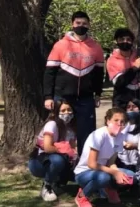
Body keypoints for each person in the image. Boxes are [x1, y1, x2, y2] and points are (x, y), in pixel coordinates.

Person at [44, 11, 105, 154]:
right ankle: (63, 162)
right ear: (72, 24)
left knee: (87, 133)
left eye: (84, 23)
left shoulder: (96, 47)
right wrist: (48, 96)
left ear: (89, 25)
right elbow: (50, 72)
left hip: (86, 98)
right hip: (63, 98)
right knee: (61, 132)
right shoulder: (60, 45)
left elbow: (99, 74)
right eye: (78, 23)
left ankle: (85, 164)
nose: (81, 26)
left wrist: (98, 94)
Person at [73, 108, 135, 207]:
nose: (119, 124)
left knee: (130, 175)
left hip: (102, 170)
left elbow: (111, 162)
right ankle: (82, 196)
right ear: (108, 121)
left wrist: (118, 173)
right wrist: (115, 173)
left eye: (122, 121)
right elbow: (91, 164)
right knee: (104, 177)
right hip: (84, 172)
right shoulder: (99, 135)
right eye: (116, 120)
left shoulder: (120, 136)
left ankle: (109, 188)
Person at [28, 99, 77, 202]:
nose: (66, 113)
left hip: (61, 159)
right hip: (39, 162)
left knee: (77, 174)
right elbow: (47, 147)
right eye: (63, 110)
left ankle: (58, 182)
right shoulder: (52, 125)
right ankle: (47, 185)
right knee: (58, 160)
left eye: (69, 110)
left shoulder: (72, 128)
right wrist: (64, 149)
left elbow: (73, 150)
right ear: (56, 112)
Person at [106, 28, 140, 123]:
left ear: (132, 42)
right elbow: (119, 83)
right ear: (116, 41)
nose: (125, 42)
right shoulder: (112, 60)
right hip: (121, 101)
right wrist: (134, 68)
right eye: (121, 39)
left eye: (128, 39)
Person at [117, 99, 140, 171]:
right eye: (128, 107)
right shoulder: (119, 128)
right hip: (122, 165)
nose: (131, 109)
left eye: (134, 106)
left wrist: (136, 146)